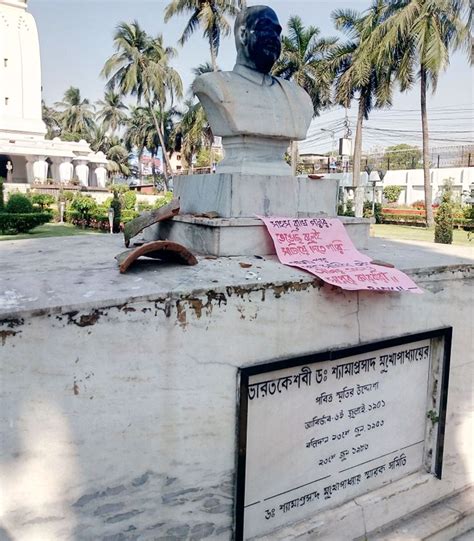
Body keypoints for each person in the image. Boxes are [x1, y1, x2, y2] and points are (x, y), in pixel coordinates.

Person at [192, 5, 313, 175]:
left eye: (277, 32)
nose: (274, 37)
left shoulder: (299, 97)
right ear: (243, 34)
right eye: (265, 28)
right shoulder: (214, 86)